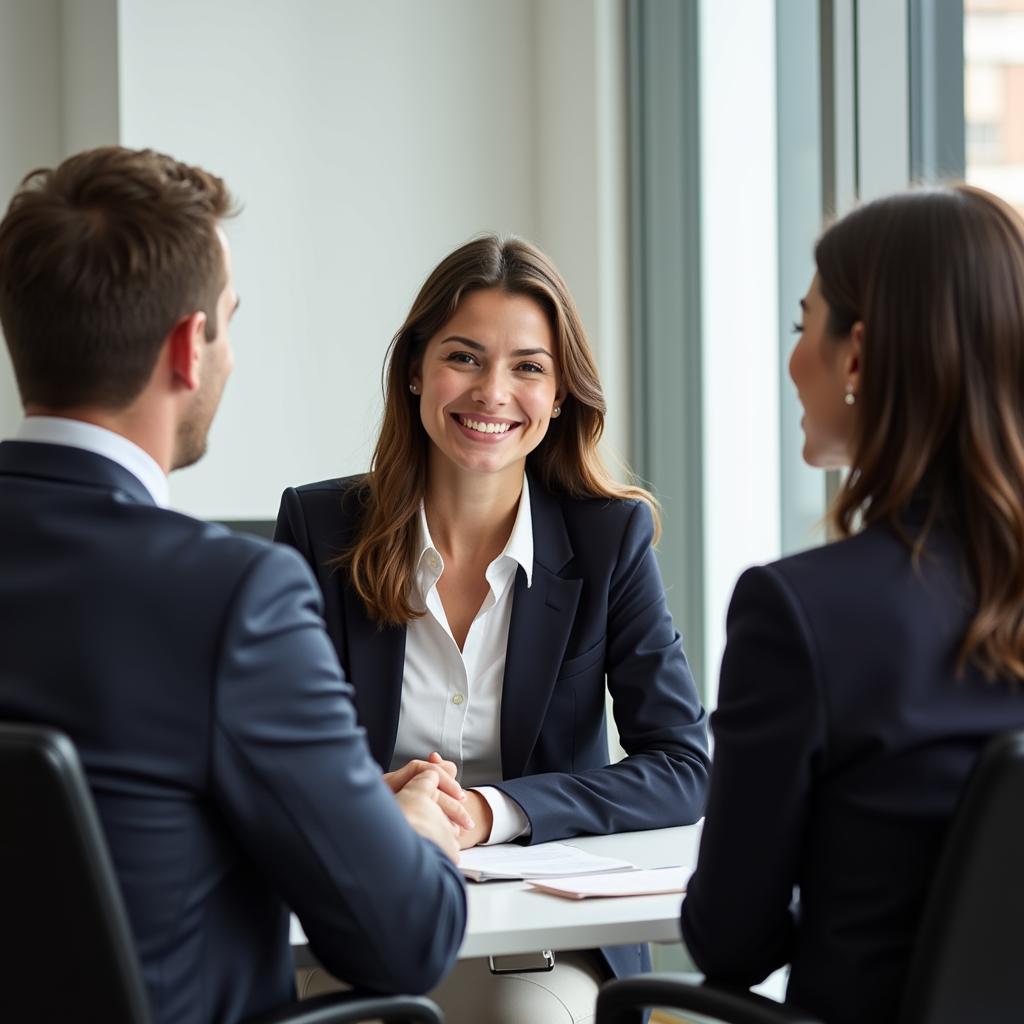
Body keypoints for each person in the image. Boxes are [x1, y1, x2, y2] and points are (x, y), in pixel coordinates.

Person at [0, 146, 465, 1024]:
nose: (231, 356)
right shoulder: (231, 599)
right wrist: (413, 831)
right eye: (228, 322)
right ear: (188, 346)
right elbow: (404, 938)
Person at [276, 234, 710, 1022]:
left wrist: (489, 812)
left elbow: (684, 764)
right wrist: (374, 800)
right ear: (416, 370)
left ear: (559, 393)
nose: (492, 393)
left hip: (542, 941)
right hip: (362, 922)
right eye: (465, 357)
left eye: (528, 367)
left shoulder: (610, 539)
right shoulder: (317, 527)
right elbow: (266, 762)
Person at [681, 185, 1024, 1024]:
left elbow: (731, 941)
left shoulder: (799, 614)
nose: (795, 357)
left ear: (858, 356)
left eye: (804, 326)